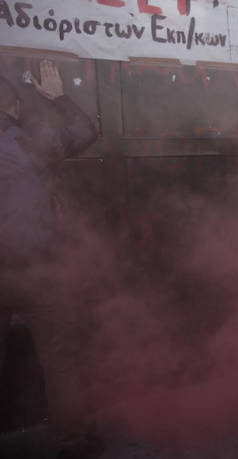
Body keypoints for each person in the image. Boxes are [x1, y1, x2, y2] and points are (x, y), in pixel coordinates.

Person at [0, 60, 99, 455]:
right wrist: (57, 96)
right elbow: (85, 132)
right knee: (61, 361)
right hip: (35, 271)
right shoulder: (26, 143)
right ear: (15, 109)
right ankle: (72, 441)